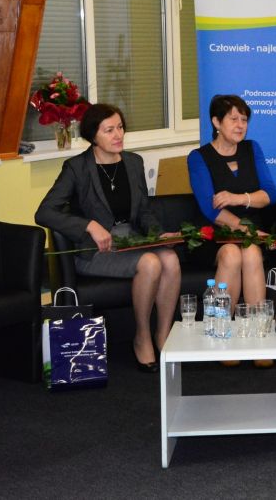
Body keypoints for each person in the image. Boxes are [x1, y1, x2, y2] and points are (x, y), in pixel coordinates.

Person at [36, 103, 181, 373]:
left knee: (170, 259)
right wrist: (88, 225)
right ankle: (142, 336)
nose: (118, 135)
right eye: (109, 130)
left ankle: (163, 334)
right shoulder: (77, 168)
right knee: (151, 263)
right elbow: (44, 212)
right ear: (93, 135)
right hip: (95, 250)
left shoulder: (133, 162)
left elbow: (144, 211)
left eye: (121, 127)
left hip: (131, 241)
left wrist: (159, 235)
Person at [188, 95, 276, 308]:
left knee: (251, 252)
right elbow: (211, 210)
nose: (240, 125)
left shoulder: (252, 148)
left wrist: (237, 198)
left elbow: (270, 194)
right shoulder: (198, 157)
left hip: (253, 228)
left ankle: (257, 323)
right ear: (216, 122)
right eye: (233, 119)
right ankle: (221, 323)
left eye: (244, 120)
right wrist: (249, 232)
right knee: (231, 254)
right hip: (214, 232)